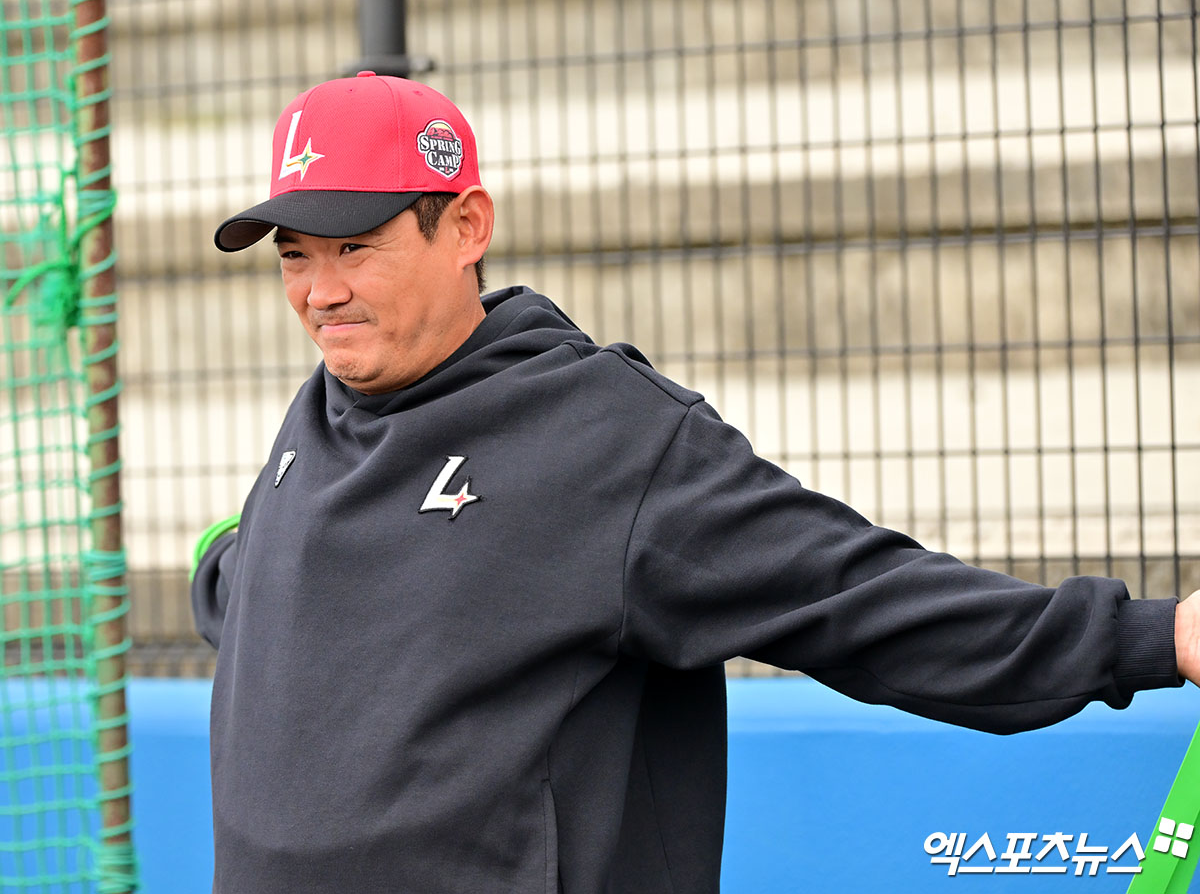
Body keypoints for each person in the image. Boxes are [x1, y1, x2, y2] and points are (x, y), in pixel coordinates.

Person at [193, 71, 1200, 894]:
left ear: (465, 226)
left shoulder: (608, 439)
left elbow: (860, 597)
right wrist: (219, 566)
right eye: (295, 256)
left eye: (356, 248)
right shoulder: (316, 417)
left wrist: (1153, 637)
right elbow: (269, 580)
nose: (320, 293)